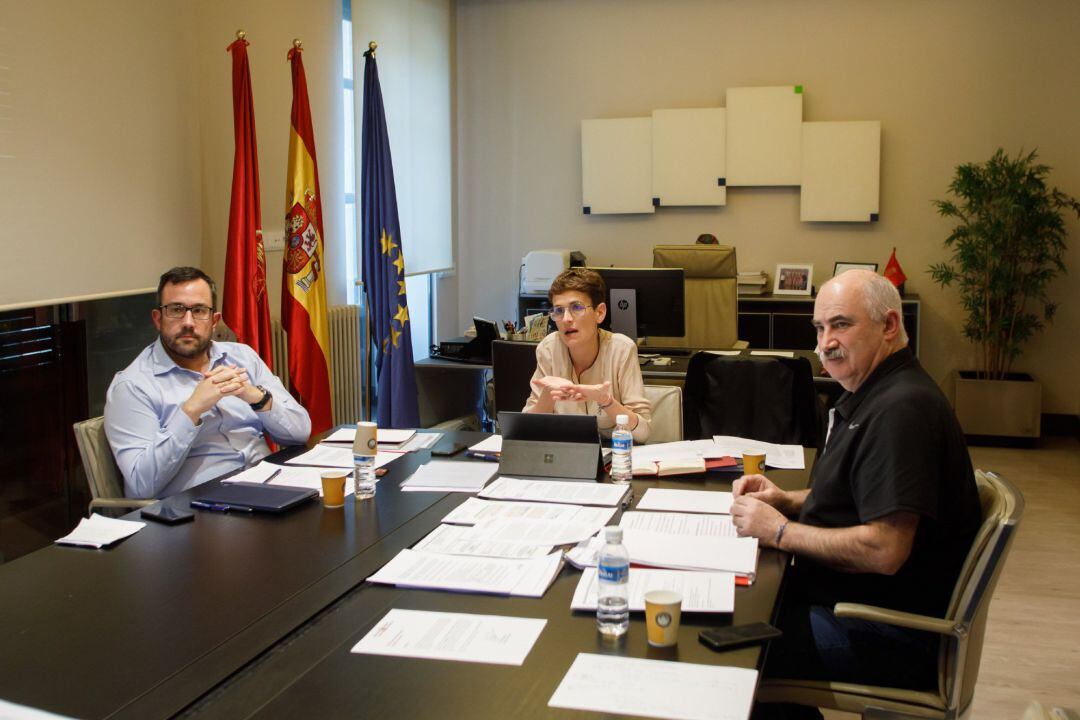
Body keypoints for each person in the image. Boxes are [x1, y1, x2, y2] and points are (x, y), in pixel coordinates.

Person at [729, 269, 980, 718]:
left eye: (841, 324)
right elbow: (859, 494)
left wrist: (781, 531)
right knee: (739, 619)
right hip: (855, 605)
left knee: (731, 649)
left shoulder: (901, 411)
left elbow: (885, 549)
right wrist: (787, 500)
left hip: (887, 632)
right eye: (820, 328)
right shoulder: (878, 392)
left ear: (889, 326)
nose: (825, 342)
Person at [104, 267, 311, 499]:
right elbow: (142, 485)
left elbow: (300, 433)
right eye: (176, 310)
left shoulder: (242, 357)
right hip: (199, 509)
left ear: (214, 321)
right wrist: (191, 411)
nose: (188, 322)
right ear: (157, 319)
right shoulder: (133, 386)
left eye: (199, 310)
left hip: (268, 484)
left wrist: (256, 397)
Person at [523, 267, 652, 442]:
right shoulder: (549, 348)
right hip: (566, 455)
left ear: (600, 313)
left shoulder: (621, 349)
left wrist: (606, 401)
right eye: (559, 311)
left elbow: (643, 433)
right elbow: (527, 433)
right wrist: (547, 395)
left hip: (614, 457)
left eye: (576, 307)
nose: (566, 319)